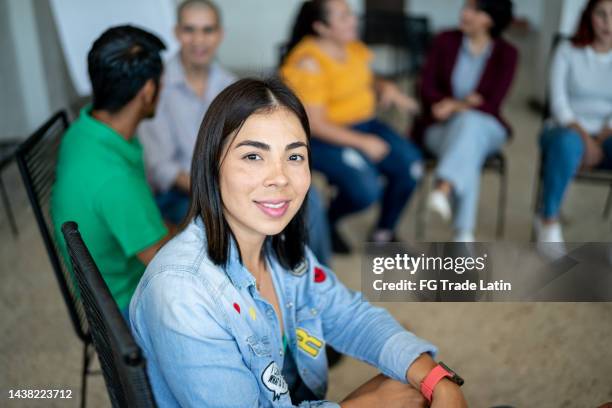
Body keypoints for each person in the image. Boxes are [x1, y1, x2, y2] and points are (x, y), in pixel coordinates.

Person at [129, 78, 467, 407]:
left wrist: (437, 379)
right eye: (253, 156)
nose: (280, 177)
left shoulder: (277, 245)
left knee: (412, 386)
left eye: (294, 157)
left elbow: (351, 315)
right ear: (212, 164)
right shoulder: (182, 292)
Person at [139, 0, 332, 265]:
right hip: (181, 194)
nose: (199, 40)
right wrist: (222, 189)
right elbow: (163, 169)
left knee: (308, 198)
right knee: (245, 216)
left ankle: (314, 278)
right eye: (190, 30)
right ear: (176, 33)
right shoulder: (157, 90)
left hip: (234, 180)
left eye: (207, 30)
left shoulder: (231, 85)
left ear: (220, 34)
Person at [280, 0, 423, 253]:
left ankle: (383, 234)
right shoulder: (307, 63)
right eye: (344, 17)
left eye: (351, 14)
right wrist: (362, 143)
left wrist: (384, 87)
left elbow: (365, 76)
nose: (354, 20)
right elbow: (313, 123)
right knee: (366, 190)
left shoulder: (352, 46)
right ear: (321, 27)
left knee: (411, 167)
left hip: (366, 124)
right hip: (324, 137)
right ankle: (326, 220)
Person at [52, 26, 171, 319]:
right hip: (124, 308)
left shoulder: (83, 129)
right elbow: (169, 271)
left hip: (105, 280)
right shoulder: (116, 181)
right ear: (148, 91)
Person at [415, 0, 518, 242]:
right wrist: (465, 104)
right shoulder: (444, 40)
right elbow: (425, 88)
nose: (464, 13)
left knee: (470, 125)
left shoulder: (508, 54)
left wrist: (455, 105)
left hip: (487, 128)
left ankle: (444, 187)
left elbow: (493, 102)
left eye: (474, 9)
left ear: (490, 18)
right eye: (465, 7)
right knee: (468, 145)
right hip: (440, 128)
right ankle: (463, 234)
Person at [536, 0, 612, 255]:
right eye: (602, 15)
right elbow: (558, 103)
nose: (608, 23)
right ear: (590, 16)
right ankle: (548, 222)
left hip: (606, 133)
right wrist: (585, 139)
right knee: (568, 144)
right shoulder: (568, 50)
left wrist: (605, 134)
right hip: (564, 128)